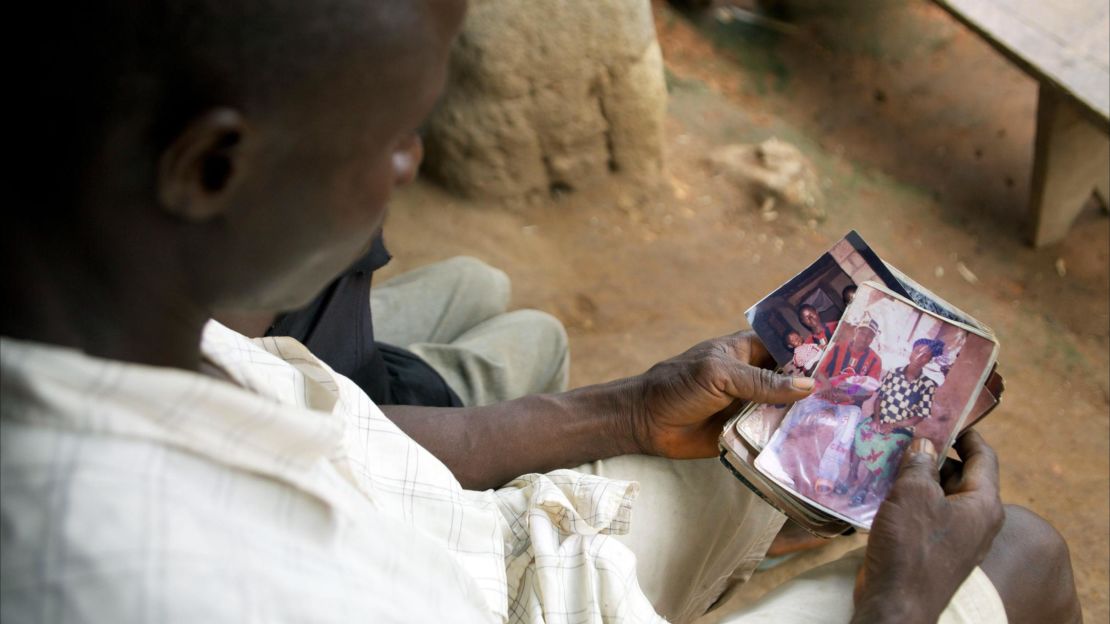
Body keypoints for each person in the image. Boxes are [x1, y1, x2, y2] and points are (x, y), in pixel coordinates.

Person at [2, 1, 1081, 623]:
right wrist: (896, 606)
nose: (410, 165)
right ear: (211, 166)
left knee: (794, 475)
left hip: (492, 551)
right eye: (395, 136)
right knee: (1018, 556)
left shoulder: (105, 317)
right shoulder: (151, 577)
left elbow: (344, 437)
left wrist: (622, 412)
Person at [845, 338, 945, 506]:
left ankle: (864, 487)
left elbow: (919, 416)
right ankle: (852, 475)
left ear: (929, 360)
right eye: (917, 351)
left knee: (884, 447)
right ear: (911, 351)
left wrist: (894, 425)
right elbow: (879, 399)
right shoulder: (893, 373)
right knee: (859, 431)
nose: (919, 356)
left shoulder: (928, 385)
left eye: (925, 355)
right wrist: (876, 419)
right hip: (880, 419)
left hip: (902, 429)